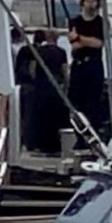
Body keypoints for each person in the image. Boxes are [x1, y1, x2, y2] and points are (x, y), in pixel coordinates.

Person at [68, 0, 109, 143]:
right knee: (76, 102)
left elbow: (98, 43)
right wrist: (85, 41)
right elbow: (75, 45)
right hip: (78, 65)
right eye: (88, 1)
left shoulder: (101, 22)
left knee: (93, 101)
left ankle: (94, 134)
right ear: (82, 3)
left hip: (94, 65)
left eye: (94, 1)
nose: (91, 4)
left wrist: (80, 38)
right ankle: (78, 135)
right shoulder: (75, 21)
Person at [26, 27, 70, 155]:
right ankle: (55, 146)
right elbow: (65, 71)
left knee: (41, 117)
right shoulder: (61, 52)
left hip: (41, 89)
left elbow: (32, 69)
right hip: (55, 89)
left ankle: (41, 145)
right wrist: (66, 86)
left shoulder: (38, 51)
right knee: (55, 118)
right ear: (57, 38)